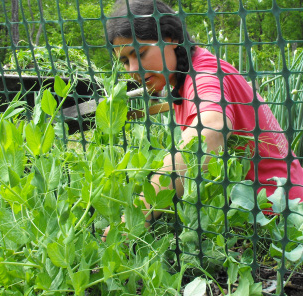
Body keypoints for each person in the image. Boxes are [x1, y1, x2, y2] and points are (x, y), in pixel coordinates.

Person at [102, 0, 303, 239]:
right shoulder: (184, 77)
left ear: (171, 38)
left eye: (140, 53)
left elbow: (211, 128)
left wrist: (138, 215)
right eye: (125, 61)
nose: (133, 69)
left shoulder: (205, 75)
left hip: (281, 223)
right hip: (264, 211)